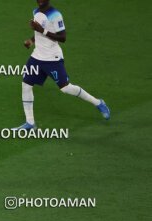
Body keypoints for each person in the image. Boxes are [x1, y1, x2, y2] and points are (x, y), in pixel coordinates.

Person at [15, 0, 110, 130]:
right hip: (37, 56)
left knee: (65, 88)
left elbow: (63, 37)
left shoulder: (55, 15)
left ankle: (98, 102)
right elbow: (39, 32)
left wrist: (42, 30)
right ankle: (30, 123)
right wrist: (31, 41)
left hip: (52, 58)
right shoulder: (35, 12)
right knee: (26, 85)